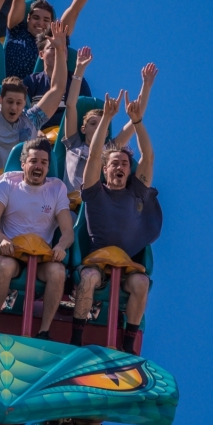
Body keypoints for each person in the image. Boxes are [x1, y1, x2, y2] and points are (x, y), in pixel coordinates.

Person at [72, 89, 162, 353]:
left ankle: (128, 345)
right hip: (97, 262)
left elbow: (148, 157)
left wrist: (137, 122)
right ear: (105, 169)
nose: (120, 167)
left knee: (141, 283)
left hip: (127, 264)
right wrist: (106, 120)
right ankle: (76, 339)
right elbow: (94, 153)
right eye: (115, 164)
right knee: (88, 278)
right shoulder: (94, 191)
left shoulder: (137, 192)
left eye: (124, 163)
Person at [0, 136, 74, 339]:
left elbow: (68, 231)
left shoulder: (56, 188)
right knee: (5, 267)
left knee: (58, 271)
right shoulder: (8, 183)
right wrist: (2, 239)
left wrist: (60, 246)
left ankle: (44, 331)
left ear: (48, 167)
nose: (38, 166)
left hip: (41, 257)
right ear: (23, 164)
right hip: (12, 252)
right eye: (33, 161)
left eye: (44, 162)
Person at [0, 20, 70, 183]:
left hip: (19, 191)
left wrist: (60, 49)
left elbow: (57, 89)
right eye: (9, 101)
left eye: (19, 103)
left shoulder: (32, 119)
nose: (14, 107)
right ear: (0, 99)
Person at [60, 62, 156, 192]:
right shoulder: (74, 144)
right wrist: (79, 69)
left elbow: (135, 120)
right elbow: (71, 105)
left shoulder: (108, 150)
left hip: (93, 200)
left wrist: (146, 86)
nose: (97, 128)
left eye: (101, 125)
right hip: (70, 202)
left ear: (105, 132)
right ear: (83, 129)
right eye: (93, 124)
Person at [24, 41, 93, 129]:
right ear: (41, 54)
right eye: (52, 48)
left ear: (67, 55)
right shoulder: (31, 81)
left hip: (67, 133)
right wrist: (35, 131)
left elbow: (87, 113)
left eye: (62, 49)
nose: (57, 52)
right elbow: (22, 113)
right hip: (38, 132)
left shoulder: (77, 82)